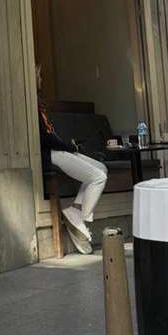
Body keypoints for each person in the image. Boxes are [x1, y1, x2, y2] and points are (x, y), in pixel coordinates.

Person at [36, 66, 108, 255]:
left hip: (58, 150)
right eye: (39, 75)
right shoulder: (31, 105)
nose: (41, 79)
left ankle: (75, 209)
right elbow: (45, 139)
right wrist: (68, 146)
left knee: (101, 168)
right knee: (98, 177)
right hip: (49, 154)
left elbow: (51, 135)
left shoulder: (39, 104)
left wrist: (68, 146)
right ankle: (80, 219)